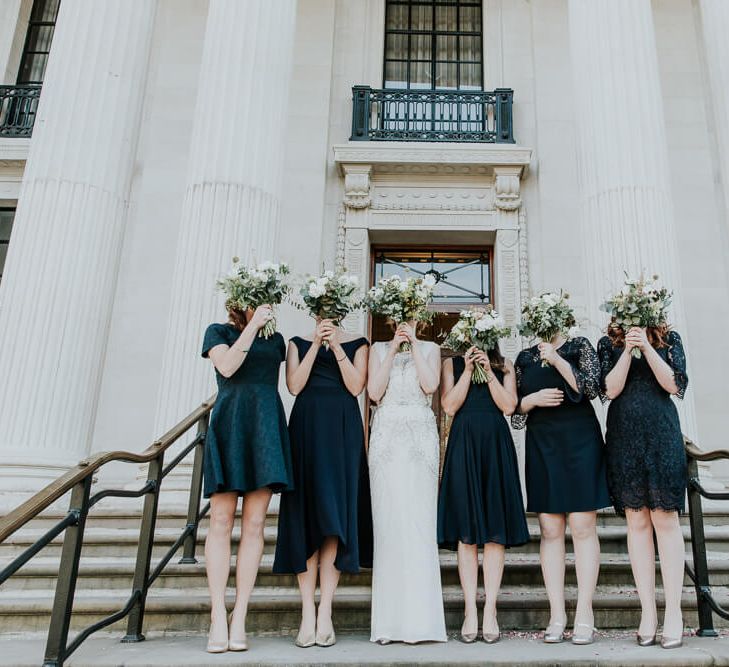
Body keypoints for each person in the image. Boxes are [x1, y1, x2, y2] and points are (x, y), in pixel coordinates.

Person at [273, 318, 371, 648]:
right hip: (306, 428)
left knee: (334, 518)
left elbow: (357, 387)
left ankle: (325, 609)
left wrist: (337, 348)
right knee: (306, 515)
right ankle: (307, 613)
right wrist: (316, 343)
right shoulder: (297, 342)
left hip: (342, 429)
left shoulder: (359, 342)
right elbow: (294, 386)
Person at [201, 303, 292, 653]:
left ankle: (239, 615)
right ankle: (216, 615)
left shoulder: (277, 340)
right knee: (221, 521)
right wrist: (252, 326)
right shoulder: (218, 332)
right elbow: (227, 366)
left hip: (265, 426)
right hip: (230, 424)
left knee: (255, 525)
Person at [513, 334, 610, 645]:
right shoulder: (524, 358)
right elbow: (514, 412)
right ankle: (557, 614)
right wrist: (531, 400)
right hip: (543, 442)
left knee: (582, 525)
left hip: (580, 439)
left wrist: (556, 359)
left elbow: (592, 388)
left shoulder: (578, 346)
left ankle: (584, 612)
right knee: (549, 528)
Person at [598, 325, 688, 649]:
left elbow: (675, 384)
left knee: (665, 519)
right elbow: (609, 389)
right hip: (624, 437)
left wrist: (648, 348)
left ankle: (674, 612)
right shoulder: (608, 344)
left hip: (662, 435)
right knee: (637, 522)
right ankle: (648, 612)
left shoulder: (669, 340)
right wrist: (627, 350)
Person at [438, 346, 529, 643]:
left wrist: (489, 371)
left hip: (494, 445)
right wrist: (467, 370)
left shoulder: (505, 365)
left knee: (493, 531)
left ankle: (489, 609)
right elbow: (449, 406)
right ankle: (470, 611)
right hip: (464, 442)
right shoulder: (451, 364)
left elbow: (508, 406)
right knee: (467, 532)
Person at [367, 322, 447, 644]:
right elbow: (373, 392)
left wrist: (412, 344)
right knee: (389, 525)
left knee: (419, 524)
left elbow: (430, 387)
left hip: (420, 438)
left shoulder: (431, 349)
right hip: (386, 437)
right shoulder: (376, 349)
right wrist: (390, 353)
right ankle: (388, 624)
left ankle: (422, 622)